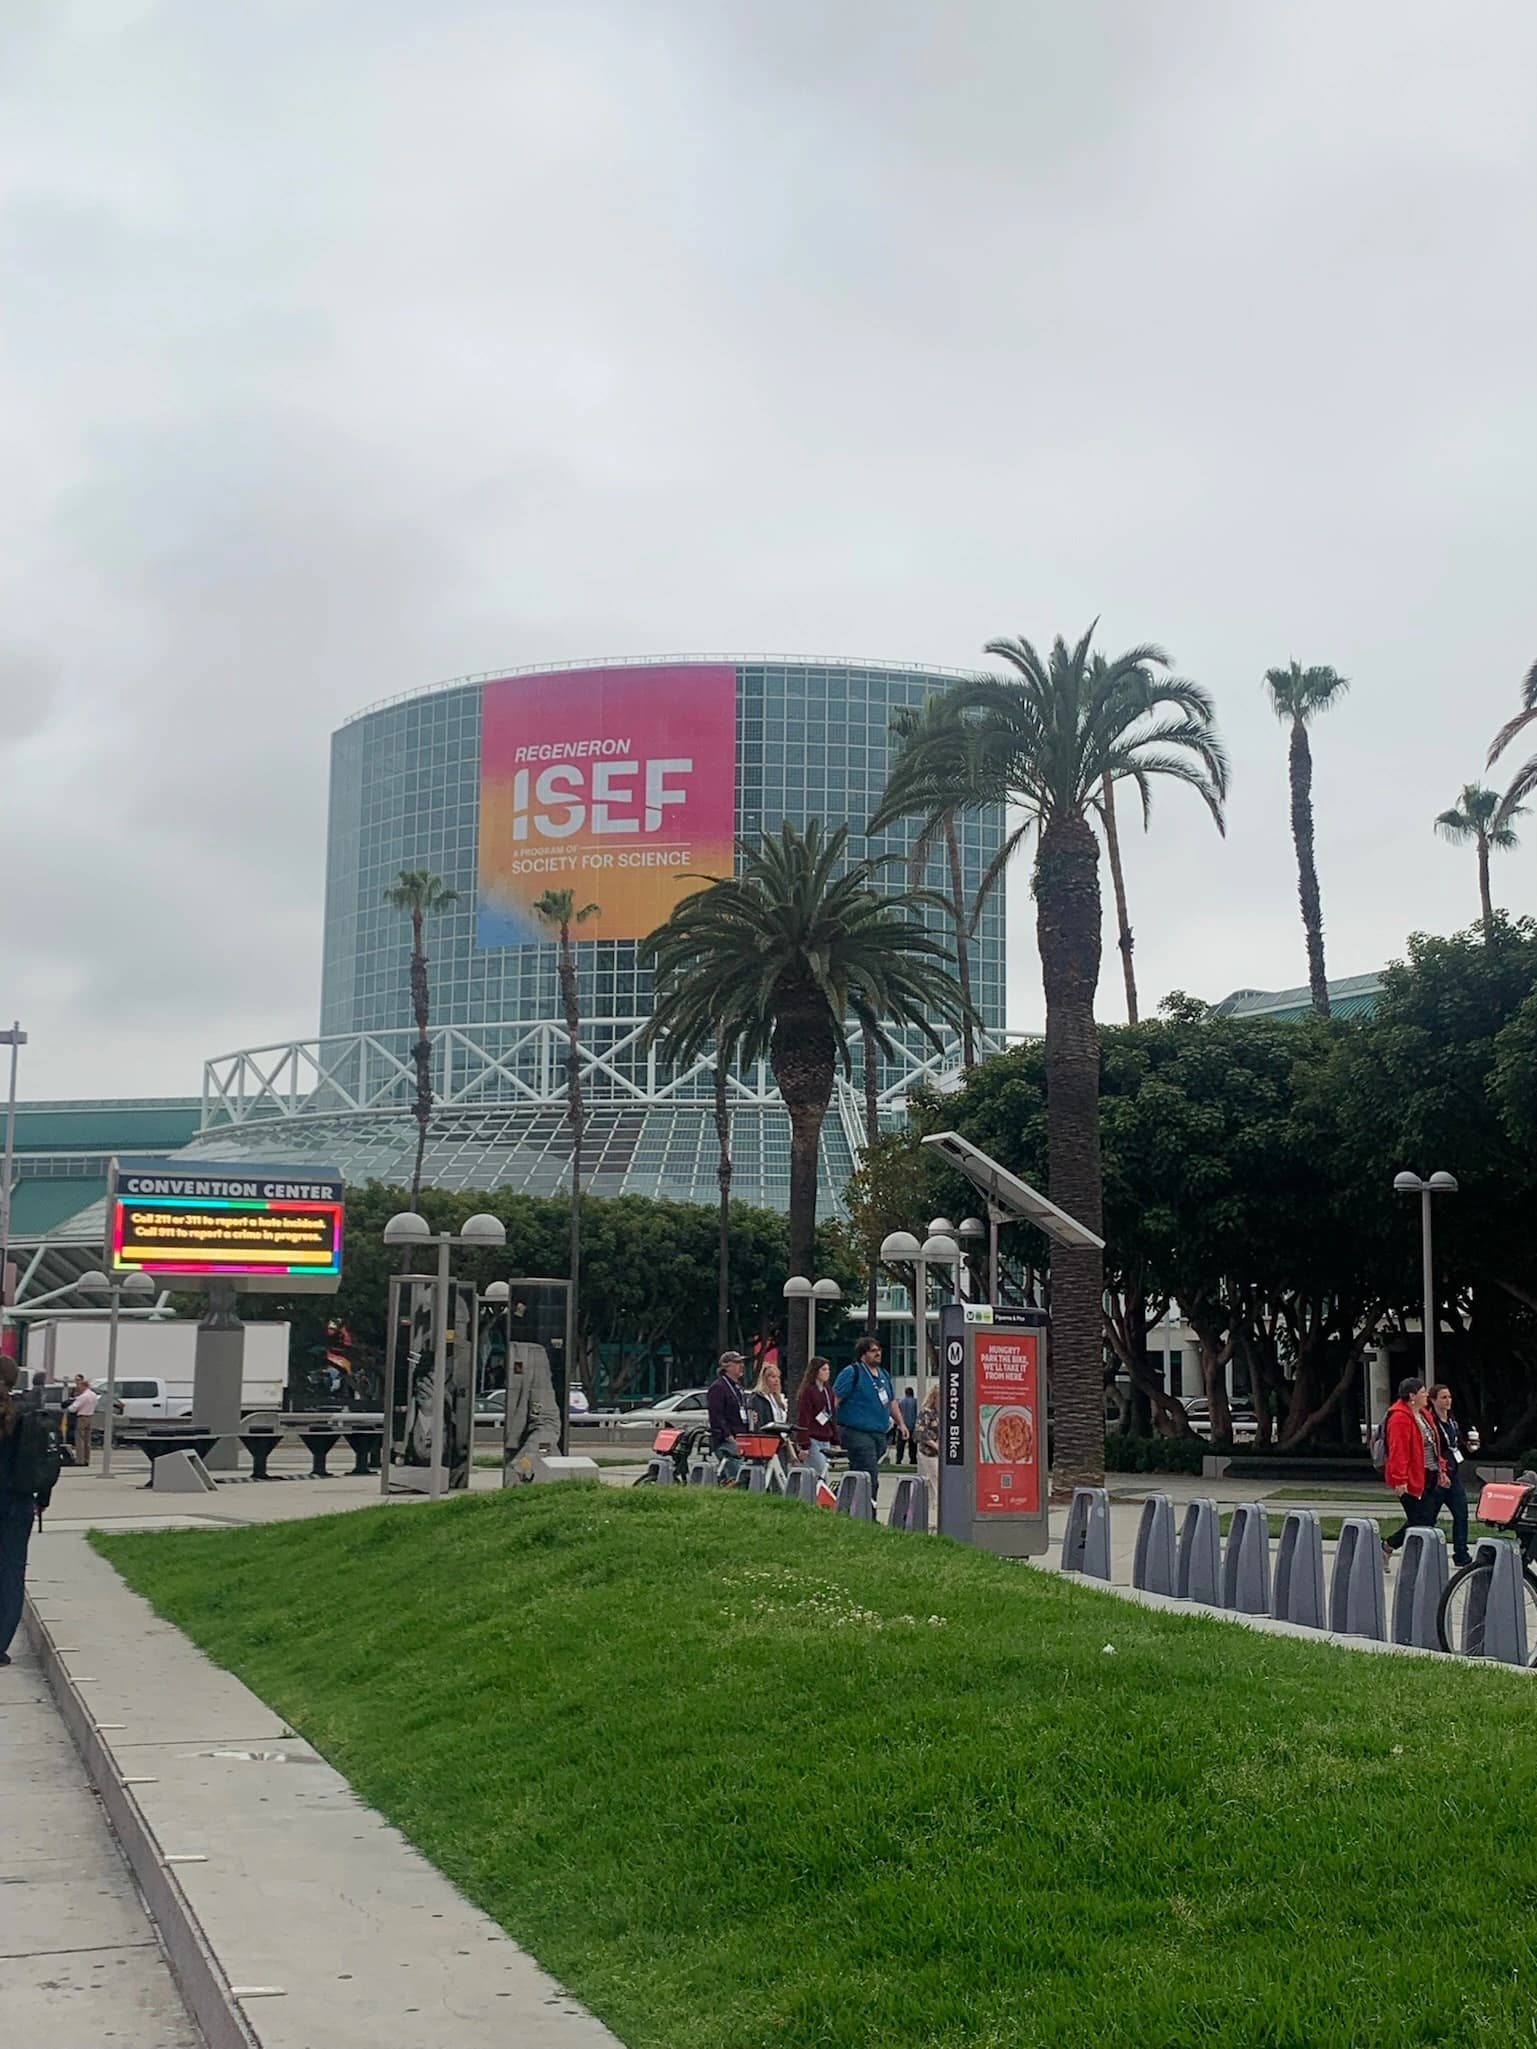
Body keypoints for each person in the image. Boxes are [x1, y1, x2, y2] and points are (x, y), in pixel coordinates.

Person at [1, 1358, 61, 1667]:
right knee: (11, 1569)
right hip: (18, 1499)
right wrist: (43, 1498)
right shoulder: (28, 1415)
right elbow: (43, 1460)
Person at [832, 1336, 906, 1505]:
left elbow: (891, 1401)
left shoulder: (884, 1375)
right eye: (873, 1351)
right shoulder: (853, 1372)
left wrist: (901, 1423)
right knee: (869, 1473)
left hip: (879, 1433)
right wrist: (830, 1427)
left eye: (879, 1350)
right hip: (856, 1431)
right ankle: (868, 1510)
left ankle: (844, 1502)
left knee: (858, 1472)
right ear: (863, 1354)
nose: (878, 1353)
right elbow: (835, 1399)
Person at [1382, 1376, 1448, 1563]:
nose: (1426, 1395)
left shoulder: (1424, 1415)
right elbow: (1398, 1450)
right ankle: (1393, 1548)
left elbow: (1434, 1445)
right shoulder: (1400, 1418)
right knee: (1420, 1520)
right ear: (1412, 1395)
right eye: (1423, 1392)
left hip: (1429, 1473)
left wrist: (1441, 1469)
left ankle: (1394, 1548)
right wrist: (1400, 1479)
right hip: (1411, 1477)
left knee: (1426, 1519)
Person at [1429, 1383, 1474, 1568]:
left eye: (1449, 1397)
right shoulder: (1431, 1421)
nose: (1448, 1401)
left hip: (1453, 1473)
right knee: (1427, 1517)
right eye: (1443, 1398)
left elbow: (1455, 1443)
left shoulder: (1452, 1420)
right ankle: (1392, 1545)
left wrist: (1468, 1445)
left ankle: (1461, 1553)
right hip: (1439, 1475)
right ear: (1433, 1400)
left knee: (1461, 1513)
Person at [706, 1349, 752, 1481]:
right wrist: (729, 1437)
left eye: (741, 1362)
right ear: (726, 1366)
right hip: (727, 1441)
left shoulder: (738, 1387)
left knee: (733, 1476)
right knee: (739, 1478)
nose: (741, 1365)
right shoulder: (719, 1387)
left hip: (741, 1437)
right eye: (737, 1363)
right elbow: (717, 1416)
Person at [795, 1356, 838, 1481]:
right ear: (816, 1371)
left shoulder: (827, 1391)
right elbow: (804, 1418)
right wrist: (804, 1444)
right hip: (813, 1439)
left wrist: (836, 1440)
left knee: (822, 1473)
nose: (827, 1373)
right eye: (823, 1370)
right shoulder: (808, 1392)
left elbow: (832, 1416)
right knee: (820, 1474)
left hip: (826, 1438)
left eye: (828, 1370)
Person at [916, 1382, 940, 1529]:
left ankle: (936, 1512)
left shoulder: (945, 1413)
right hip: (929, 1452)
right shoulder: (927, 1413)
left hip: (941, 1454)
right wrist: (935, 1445)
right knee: (937, 1480)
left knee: (936, 1483)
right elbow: (920, 1433)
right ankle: (938, 1513)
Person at [66, 1377, 99, 1472]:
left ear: (84, 1386)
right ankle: (87, 1458)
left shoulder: (83, 1396)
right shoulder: (93, 1395)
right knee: (87, 1440)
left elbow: (73, 1408)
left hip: (82, 1417)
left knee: (79, 1439)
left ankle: (80, 1460)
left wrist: (69, 1407)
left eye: (79, 1386)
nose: (78, 1388)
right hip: (90, 1416)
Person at [898, 1385, 918, 1466]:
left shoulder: (901, 1402)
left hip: (902, 1426)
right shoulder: (915, 1402)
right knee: (912, 1445)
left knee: (900, 1445)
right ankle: (913, 1459)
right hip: (912, 1426)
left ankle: (898, 1459)